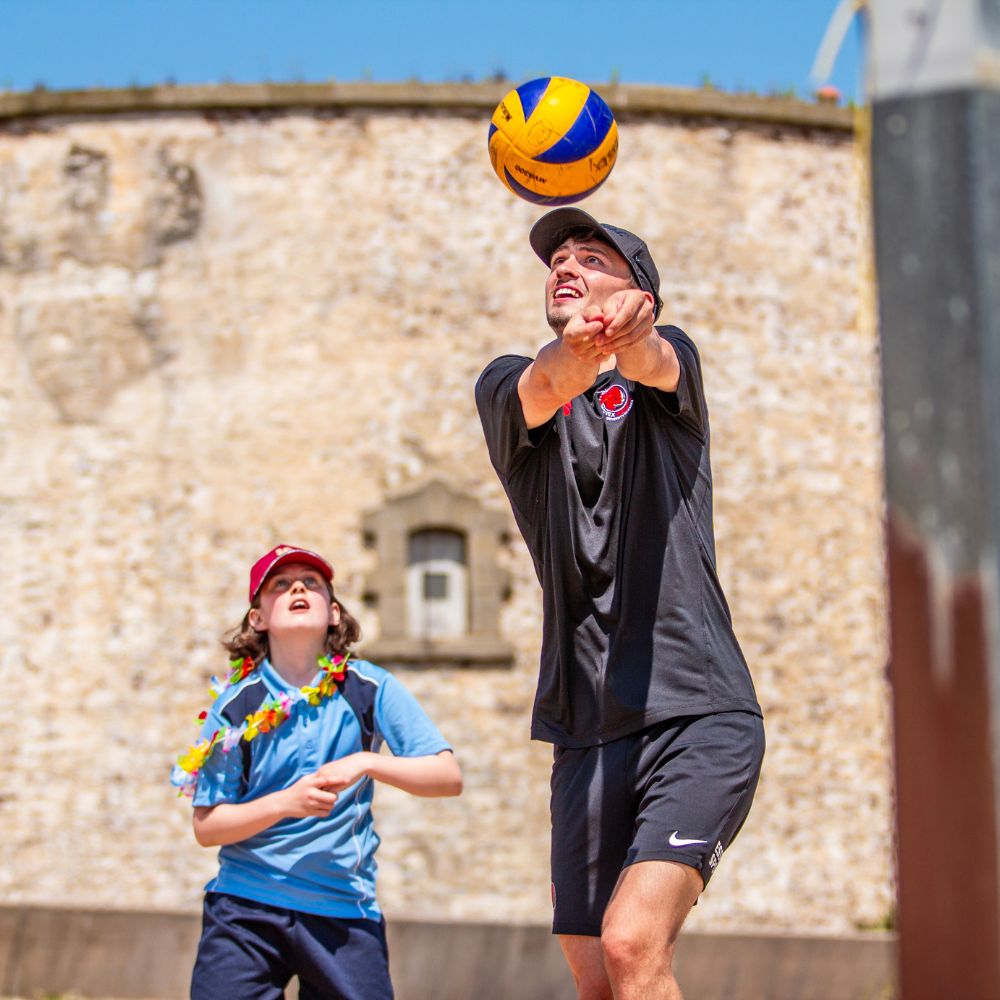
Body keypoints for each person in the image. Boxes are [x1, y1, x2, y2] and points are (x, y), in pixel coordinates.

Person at [475, 208, 764, 1000]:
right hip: (584, 729)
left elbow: (655, 359)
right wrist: (583, 345)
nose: (565, 265)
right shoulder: (509, 386)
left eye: (591, 257)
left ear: (638, 290)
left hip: (697, 713)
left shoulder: (668, 378)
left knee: (634, 943)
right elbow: (548, 380)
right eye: (557, 258)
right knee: (596, 973)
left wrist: (631, 336)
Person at [171, 544, 462, 1000]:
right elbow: (207, 827)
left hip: (344, 909)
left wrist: (368, 762)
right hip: (245, 909)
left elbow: (447, 776)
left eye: (312, 583)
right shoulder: (233, 707)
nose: (298, 588)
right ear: (258, 619)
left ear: (333, 613)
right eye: (280, 585)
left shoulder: (370, 687)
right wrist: (287, 803)